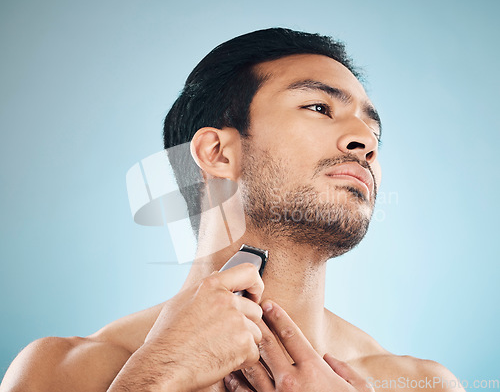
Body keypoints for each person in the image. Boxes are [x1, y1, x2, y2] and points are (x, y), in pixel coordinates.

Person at [0, 28, 464, 392]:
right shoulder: (61, 375)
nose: (365, 143)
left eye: (373, 130)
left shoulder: (426, 386)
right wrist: (156, 378)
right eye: (320, 107)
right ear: (218, 153)